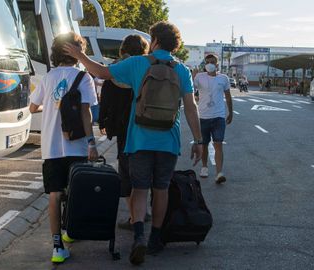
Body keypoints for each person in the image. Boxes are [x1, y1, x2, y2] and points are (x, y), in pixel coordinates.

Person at [64, 21, 203, 265]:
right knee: (160, 189)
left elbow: (101, 73)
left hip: (139, 139)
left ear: (156, 41)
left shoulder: (138, 63)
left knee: (139, 188)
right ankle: (156, 239)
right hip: (168, 140)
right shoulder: (182, 70)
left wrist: (79, 55)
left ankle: (138, 234)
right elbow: (191, 108)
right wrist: (199, 140)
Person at [29, 32, 98, 264]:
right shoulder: (83, 77)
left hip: (51, 147)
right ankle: (70, 230)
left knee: (54, 194)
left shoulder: (48, 77)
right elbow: (86, 113)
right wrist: (92, 143)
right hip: (77, 145)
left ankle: (57, 246)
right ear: (78, 52)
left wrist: (50, 107)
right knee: (76, 191)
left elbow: (32, 107)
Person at [97, 34, 150, 231]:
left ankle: (134, 216)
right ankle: (143, 209)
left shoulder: (116, 69)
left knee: (126, 171)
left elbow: (106, 97)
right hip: (144, 126)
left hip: (122, 127)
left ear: (122, 50)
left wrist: (102, 120)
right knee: (143, 168)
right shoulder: (146, 69)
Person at [194, 54, 233, 184]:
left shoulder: (224, 78)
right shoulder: (199, 77)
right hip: (203, 116)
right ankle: (204, 167)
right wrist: (193, 76)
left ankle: (219, 173)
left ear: (217, 64)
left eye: (212, 62)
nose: (210, 64)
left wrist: (231, 112)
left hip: (218, 117)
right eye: (207, 62)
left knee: (218, 144)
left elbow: (228, 96)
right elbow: (191, 91)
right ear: (205, 64)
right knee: (204, 144)